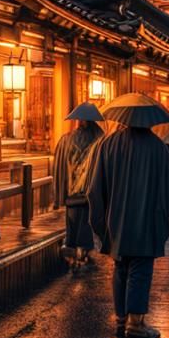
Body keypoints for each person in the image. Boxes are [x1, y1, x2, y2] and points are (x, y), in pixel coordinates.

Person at [86, 119, 169, 338]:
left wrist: (100, 220)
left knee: (121, 266)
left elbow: (95, 187)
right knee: (141, 267)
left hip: (116, 218)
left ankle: (121, 318)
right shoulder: (157, 147)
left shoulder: (108, 144)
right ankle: (136, 322)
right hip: (147, 217)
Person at [52, 103, 104, 270]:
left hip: (71, 194)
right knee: (86, 224)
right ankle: (84, 252)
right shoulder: (99, 140)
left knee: (72, 224)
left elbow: (59, 167)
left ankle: (72, 252)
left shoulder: (66, 140)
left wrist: (61, 192)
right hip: (89, 193)